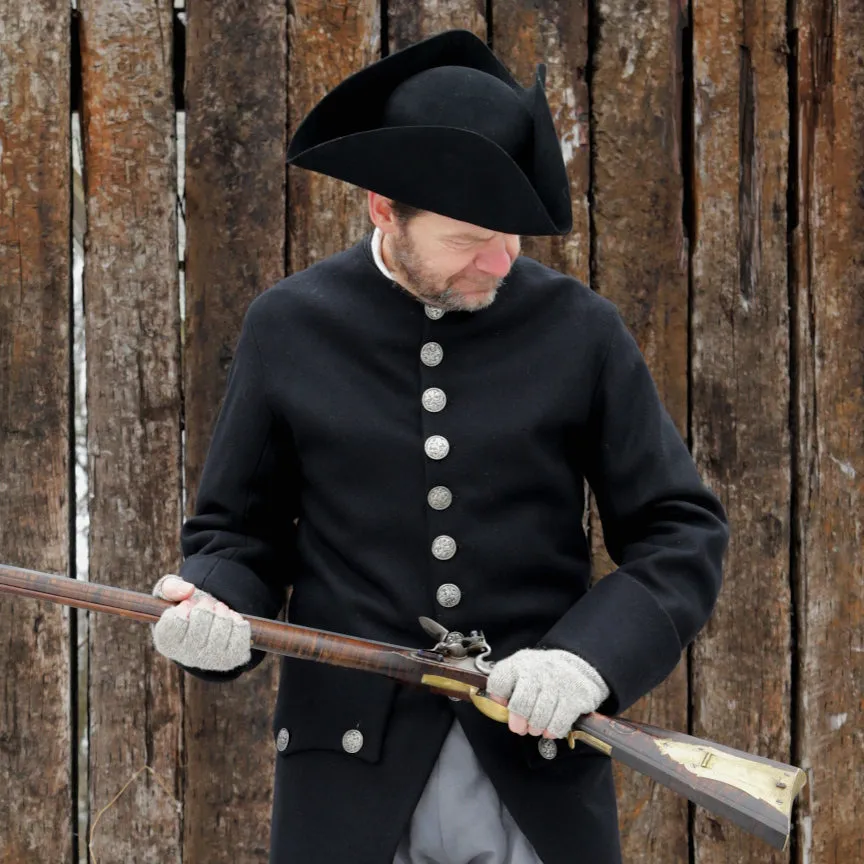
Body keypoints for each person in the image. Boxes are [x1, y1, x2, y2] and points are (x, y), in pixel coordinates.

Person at [151, 28, 729, 864]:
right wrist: (209, 606)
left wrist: (584, 661)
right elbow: (236, 537)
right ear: (385, 210)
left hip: (533, 772)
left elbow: (681, 531)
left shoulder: (582, 333)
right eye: (467, 240)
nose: (499, 261)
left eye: (512, 236)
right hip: (348, 781)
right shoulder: (288, 326)